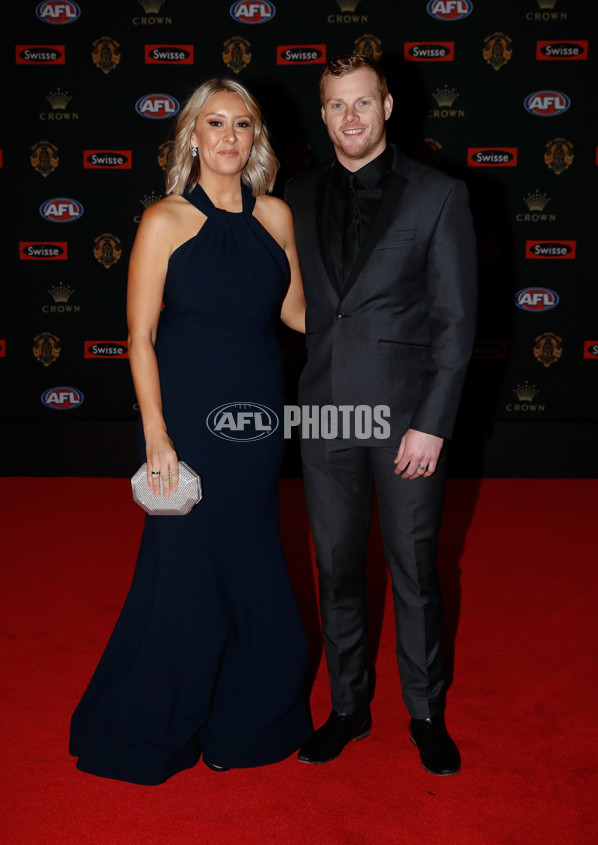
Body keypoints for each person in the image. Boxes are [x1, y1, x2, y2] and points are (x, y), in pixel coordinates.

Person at [69, 78, 311, 784]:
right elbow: (139, 337)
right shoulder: (164, 220)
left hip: (258, 423)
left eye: (242, 124)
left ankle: (248, 718)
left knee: (252, 561)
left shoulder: (277, 217)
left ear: (255, 138)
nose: (229, 137)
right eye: (215, 124)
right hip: (188, 427)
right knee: (183, 573)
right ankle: (156, 718)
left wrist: (383, 317)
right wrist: (157, 433)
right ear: (193, 138)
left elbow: (299, 314)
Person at [285, 54, 477, 775]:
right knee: (334, 566)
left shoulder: (437, 196)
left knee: (414, 571)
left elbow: (457, 323)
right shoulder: (295, 196)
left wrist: (432, 422)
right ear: (324, 111)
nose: (351, 118)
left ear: (389, 106)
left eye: (363, 103)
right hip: (328, 416)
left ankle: (425, 711)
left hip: (405, 423)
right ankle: (347, 706)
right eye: (337, 106)